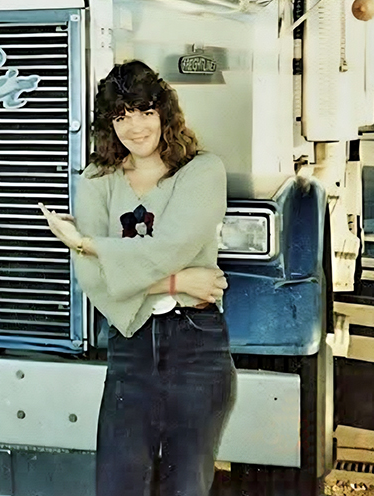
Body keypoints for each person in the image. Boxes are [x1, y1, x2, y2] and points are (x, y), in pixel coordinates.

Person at [39, 60, 236, 496]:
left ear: (164, 112)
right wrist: (177, 284)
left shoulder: (202, 170)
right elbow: (90, 279)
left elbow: (170, 247)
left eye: (145, 111)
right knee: (118, 483)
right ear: (109, 124)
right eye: (121, 116)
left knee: (186, 483)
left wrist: (89, 245)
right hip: (130, 344)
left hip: (196, 343)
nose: (135, 127)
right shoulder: (97, 179)